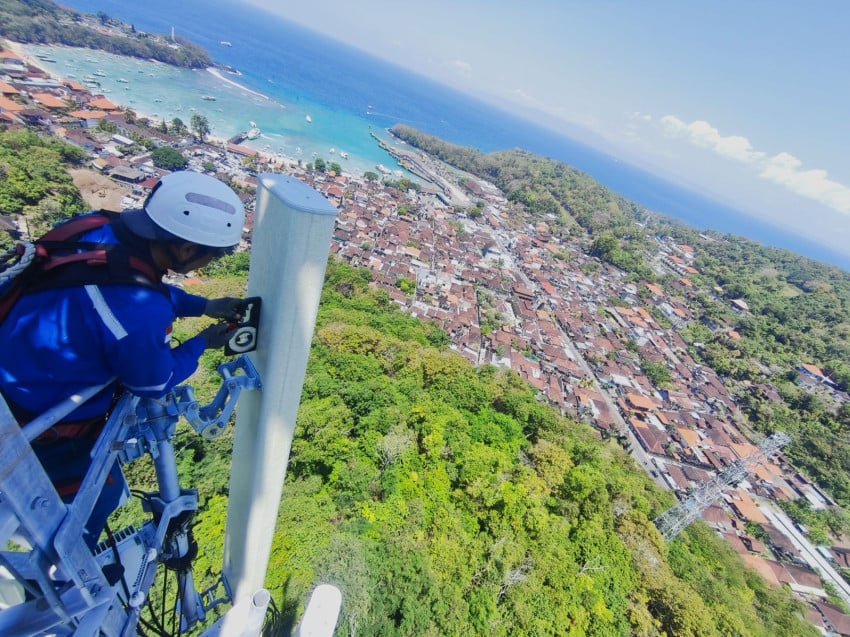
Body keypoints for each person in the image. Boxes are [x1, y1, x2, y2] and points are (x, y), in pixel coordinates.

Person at [0, 171, 248, 548]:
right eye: (209, 257)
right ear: (184, 249)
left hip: (15, 361)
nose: (206, 265)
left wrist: (204, 306)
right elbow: (153, 382)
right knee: (105, 493)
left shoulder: (98, 229)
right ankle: (65, 575)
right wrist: (202, 344)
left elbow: (135, 282)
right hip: (30, 419)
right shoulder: (136, 314)